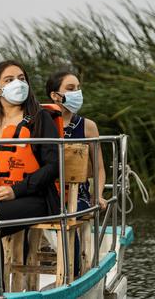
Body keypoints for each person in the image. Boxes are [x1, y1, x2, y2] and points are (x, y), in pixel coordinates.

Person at [0, 60, 60, 292]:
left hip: (36, 199)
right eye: (9, 80)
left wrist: (15, 190)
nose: (18, 83)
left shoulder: (40, 119)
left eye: (21, 78)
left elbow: (53, 167)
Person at [45, 70, 107, 211]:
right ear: (54, 96)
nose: (77, 93)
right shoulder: (42, 124)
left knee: (71, 211)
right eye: (70, 89)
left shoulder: (88, 126)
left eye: (78, 88)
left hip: (78, 195)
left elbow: (99, 168)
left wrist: (97, 195)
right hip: (46, 193)